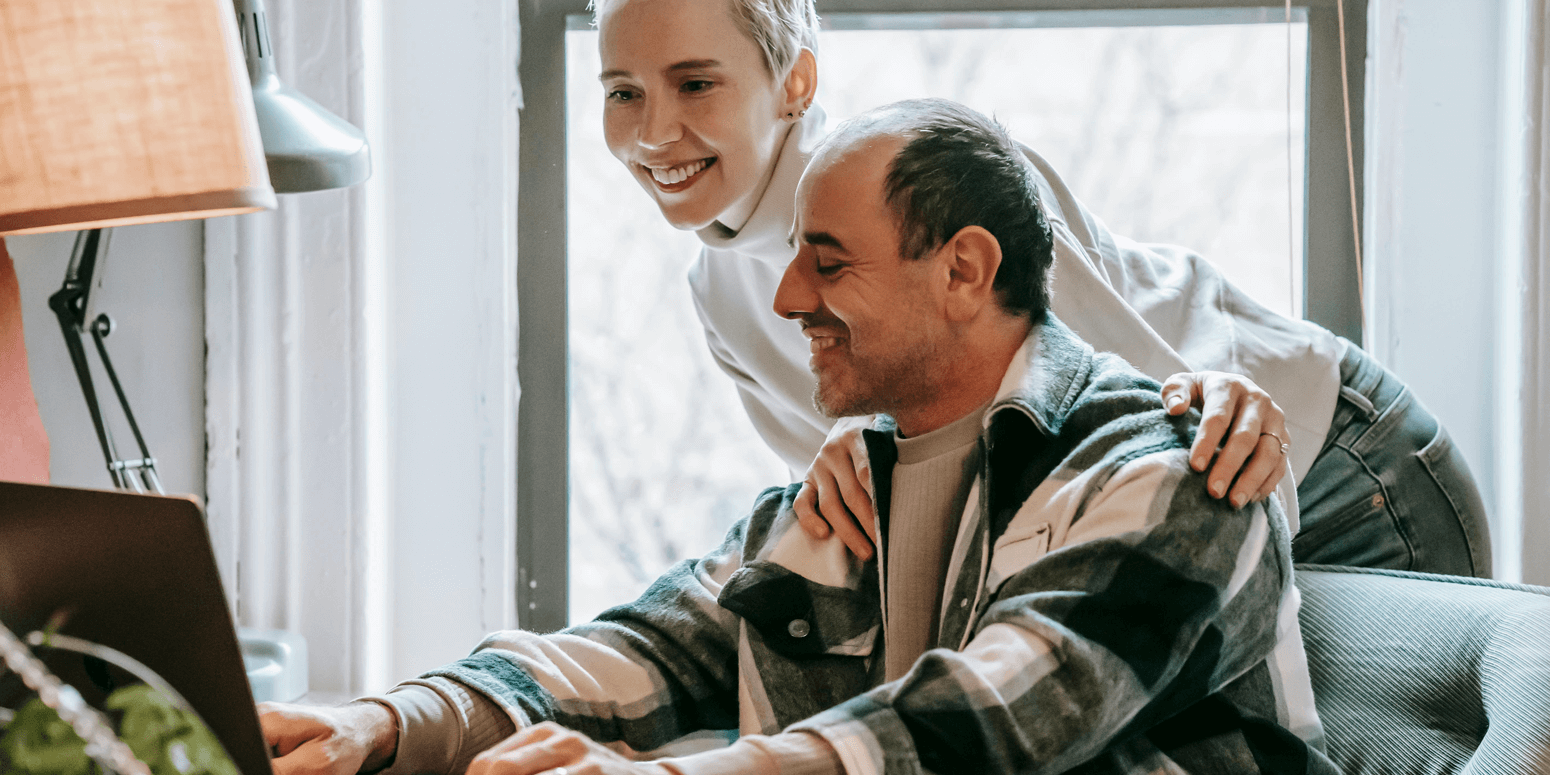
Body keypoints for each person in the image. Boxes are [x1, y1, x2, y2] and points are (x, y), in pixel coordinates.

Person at [262, 98, 1334, 775]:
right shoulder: (845, 484)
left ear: (962, 269)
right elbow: (651, 643)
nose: (783, 297)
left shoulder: (1172, 471)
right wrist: (395, 720)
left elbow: (994, 721)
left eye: (827, 260)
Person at [596, 0, 1490, 575]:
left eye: (696, 83)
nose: (653, 133)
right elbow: (885, 519)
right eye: (623, 92)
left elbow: (1148, 416)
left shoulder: (932, 176)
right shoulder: (720, 288)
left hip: (1333, 466)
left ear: (795, 81)